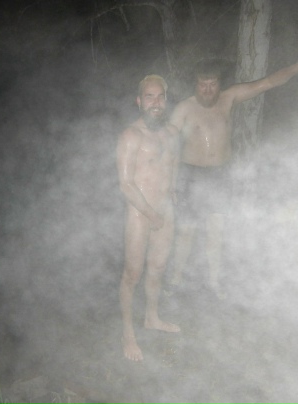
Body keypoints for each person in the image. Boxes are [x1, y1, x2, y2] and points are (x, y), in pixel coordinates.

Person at [169, 59, 298, 299]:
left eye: (212, 84)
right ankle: (175, 280)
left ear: (219, 84)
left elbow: (267, 82)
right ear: (195, 85)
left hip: (219, 174)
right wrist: (169, 182)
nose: (207, 90)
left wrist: (296, 68)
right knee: (186, 231)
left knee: (216, 232)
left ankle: (214, 283)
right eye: (202, 84)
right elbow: (166, 143)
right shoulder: (184, 109)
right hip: (191, 175)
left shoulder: (228, 98)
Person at [117, 74, 181, 361]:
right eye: (150, 97)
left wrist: (173, 193)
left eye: (160, 97)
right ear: (139, 101)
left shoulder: (172, 134)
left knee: (158, 267)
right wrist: (151, 213)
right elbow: (126, 184)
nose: (156, 102)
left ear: (166, 100)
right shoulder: (131, 136)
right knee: (133, 273)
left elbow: (173, 165)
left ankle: (152, 317)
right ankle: (127, 334)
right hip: (139, 212)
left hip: (164, 210)